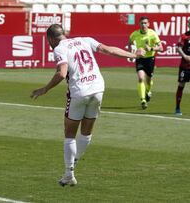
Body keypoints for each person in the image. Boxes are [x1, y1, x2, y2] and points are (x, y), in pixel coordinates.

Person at [31, 24, 144, 187]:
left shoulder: (59, 49)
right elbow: (109, 50)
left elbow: (62, 73)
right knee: (86, 132)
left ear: (51, 39)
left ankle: (69, 173)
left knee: (69, 134)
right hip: (98, 88)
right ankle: (73, 163)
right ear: (64, 34)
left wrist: (45, 89)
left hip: (79, 91)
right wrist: (133, 55)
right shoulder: (85, 40)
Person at [128, 16, 163, 110]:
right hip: (140, 58)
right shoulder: (134, 34)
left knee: (148, 80)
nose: (143, 25)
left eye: (145, 23)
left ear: (148, 24)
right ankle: (143, 100)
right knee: (140, 78)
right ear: (139, 24)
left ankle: (148, 91)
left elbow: (161, 48)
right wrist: (131, 53)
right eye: (142, 23)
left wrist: (151, 48)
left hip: (150, 59)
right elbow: (129, 42)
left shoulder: (153, 34)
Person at [174, 18, 190, 116]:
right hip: (185, 66)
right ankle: (177, 107)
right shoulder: (184, 36)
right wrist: (185, 56)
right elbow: (178, 48)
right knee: (181, 85)